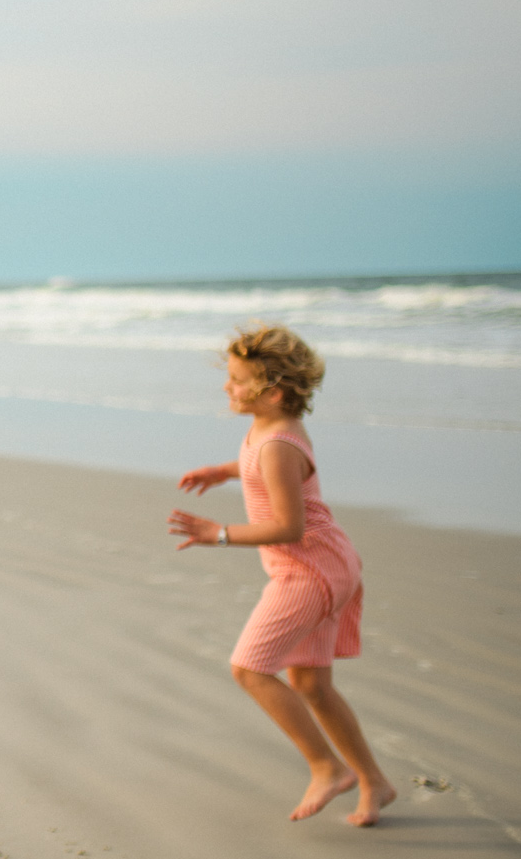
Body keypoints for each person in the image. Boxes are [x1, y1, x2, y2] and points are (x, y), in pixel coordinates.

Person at [168, 325, 395, 827]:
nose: (226, 387)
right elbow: (258, 464)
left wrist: (219, 534)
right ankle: (374, 781)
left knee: (250, 669)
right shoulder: (271, 429)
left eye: (236, 380)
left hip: (309, 569)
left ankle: (326, 767)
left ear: (271, 392)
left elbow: (289, 527)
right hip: (326, 563)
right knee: (311, 686)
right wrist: (223, 471)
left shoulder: (278, 444)